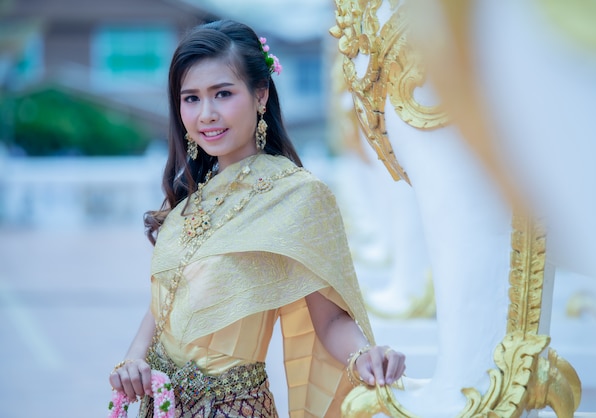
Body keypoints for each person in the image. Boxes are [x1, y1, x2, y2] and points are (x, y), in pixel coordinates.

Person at [108, 19, 406, 417]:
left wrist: (367, 355)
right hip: (159, 407)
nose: (206, 114)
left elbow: (331, 318)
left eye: (223, 94)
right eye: (191, 98)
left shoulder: (297, 196)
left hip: (232, 409)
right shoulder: (192, 198)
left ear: (260, 95)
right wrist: (133, 360)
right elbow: (164, 302)